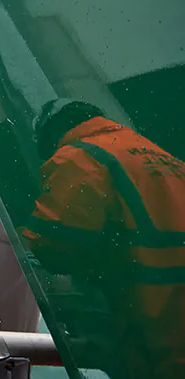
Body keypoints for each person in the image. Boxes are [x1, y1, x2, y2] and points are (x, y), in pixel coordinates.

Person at [22, 99, 185, 378]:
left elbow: (54, 242)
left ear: (53, 132)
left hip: (151, 320)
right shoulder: (162, 157)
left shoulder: (78, 156)